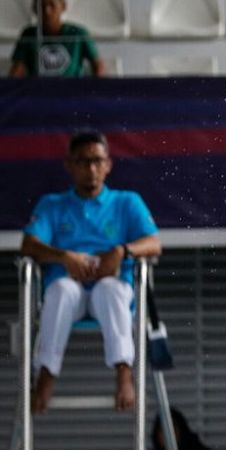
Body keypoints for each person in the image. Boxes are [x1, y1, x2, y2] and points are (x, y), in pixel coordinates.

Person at [21, 130, 161, 413]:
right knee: (60, 291)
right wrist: (65, 257)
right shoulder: (52, 204)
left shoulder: (126, 202)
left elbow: (154, 243)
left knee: (110, 290)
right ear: (69, 165)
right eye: (83, 161)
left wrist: (121, 252)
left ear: (108, 164)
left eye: (97, 161)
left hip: (110, 289)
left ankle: (124, 372)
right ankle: (46, 375)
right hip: (68, 288)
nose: (91, 168)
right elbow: (28, 244)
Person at [9, 0, 105, 77]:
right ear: (35, 9)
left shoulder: (78, 33)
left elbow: (98, 66)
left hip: (72, 92)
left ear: (63, 7)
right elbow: (17, 69)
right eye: (42, 6)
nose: (47, 11)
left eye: (52, 5)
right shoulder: (29, 34)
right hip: (39, 92)